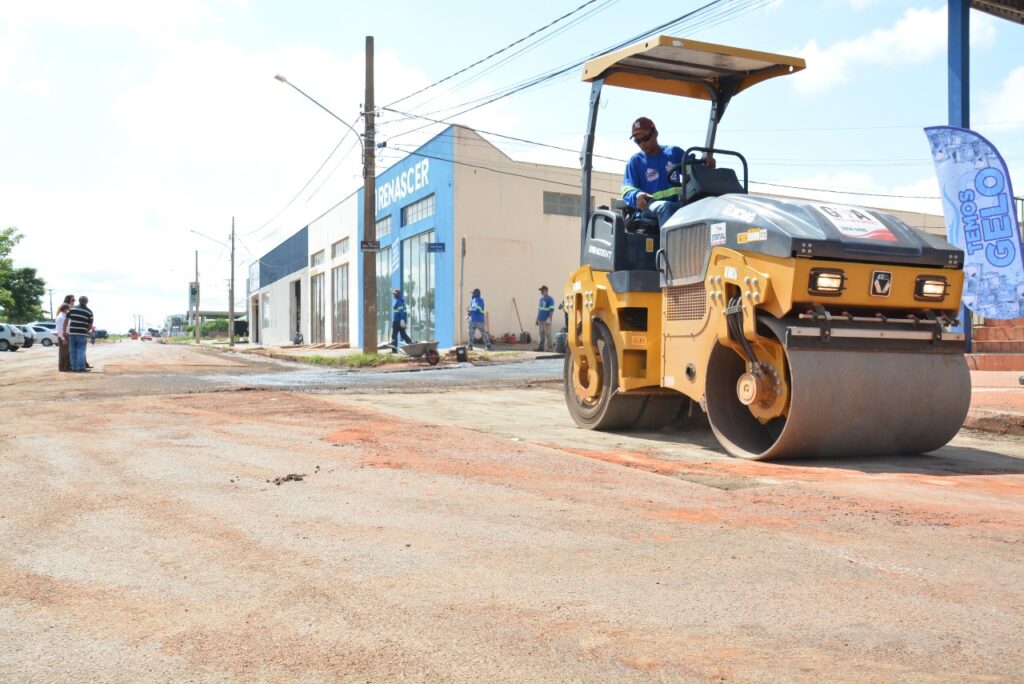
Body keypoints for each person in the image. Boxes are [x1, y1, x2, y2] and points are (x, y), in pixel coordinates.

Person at [621, 116, 687, 228]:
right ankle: (670, 245)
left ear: (655, 133)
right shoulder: (635, 162)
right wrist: (637, 195)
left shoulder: (674, 153)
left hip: (677, 204)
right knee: (666, 207)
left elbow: (695, 170)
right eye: (638, 141)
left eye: (645, 138)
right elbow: (627, 189)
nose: (642, 143)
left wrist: (706, 164)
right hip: (649, 208)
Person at [66, 295, 94, 373]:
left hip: (72, 333)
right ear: (87, 302)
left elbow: (66, 320)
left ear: (78, 301)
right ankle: (81, 367)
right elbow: (90, 325)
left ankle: (74, 368)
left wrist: (66, 330)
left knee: (72, 351)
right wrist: (86, 331)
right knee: (81, 350)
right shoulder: (89, 311)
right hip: (82, 333)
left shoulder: (72, 309)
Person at [535, 285, 556, 352]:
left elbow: (551, 309)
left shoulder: (550, 299)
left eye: (542, 290)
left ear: (546, 291)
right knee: (541, 334)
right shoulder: (541, 299)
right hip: (541, 319)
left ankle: (550, 348)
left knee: (548, 334)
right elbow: (539, 309)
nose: (541, 292)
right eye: (541, 290)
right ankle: (540, 348)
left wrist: (549, 318)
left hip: (546, 320)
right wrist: (537, 319)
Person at [54, 301, 71, 372]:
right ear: (65, 309)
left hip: (66, 335)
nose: (69, 311)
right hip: (63, 336)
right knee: (63, 353)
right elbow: (59, 329)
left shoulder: (64, 316)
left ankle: (66, 367)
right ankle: (62, 367)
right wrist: (63, 338)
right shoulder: (61, 317)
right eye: (68, 309)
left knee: (66, 353)